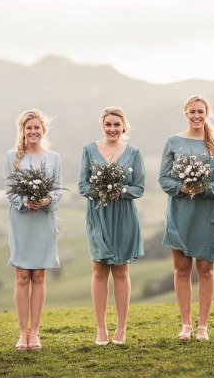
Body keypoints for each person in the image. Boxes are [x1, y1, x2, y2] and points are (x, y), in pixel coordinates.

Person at [158, 95, 214, 341]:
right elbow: (164, 178)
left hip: (206, 213)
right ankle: (186, 324)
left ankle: (203, 327)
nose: (196, 116)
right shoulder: (173, 141)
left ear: (206, 113)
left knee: (206, 270)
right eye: (192, 112)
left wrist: (204, 188)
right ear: (185, 113)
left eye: (200, 111)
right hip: (179, 213)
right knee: (181, 269)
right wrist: (183, 188)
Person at [78, 107, 145, 345]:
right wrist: (102, 190)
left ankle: (121, 329)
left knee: (121, 270)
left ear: (123, 126)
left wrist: (120, 191)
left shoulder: (134, 153)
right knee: (99, 269)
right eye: (108, 124)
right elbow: (83, 186)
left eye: (117, 125)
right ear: (102, 125)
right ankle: (101, 329)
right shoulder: (89, 150)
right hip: (98, 214)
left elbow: (139, 187)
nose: (112, 129)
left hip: (124, 215)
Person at [4, 110, 63, 352]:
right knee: (22, 277)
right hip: (21, 220)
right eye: (29, 128)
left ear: (43, 130)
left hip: (43, 220)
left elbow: (58, 189)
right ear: (22, 131)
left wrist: (46, 201)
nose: (33, 132)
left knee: (38, 276)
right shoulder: (12, 157)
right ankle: (22, 333)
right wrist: (25, 201)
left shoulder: (54, 158)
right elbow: (9, 191)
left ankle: (35, 333)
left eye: (37, 128)